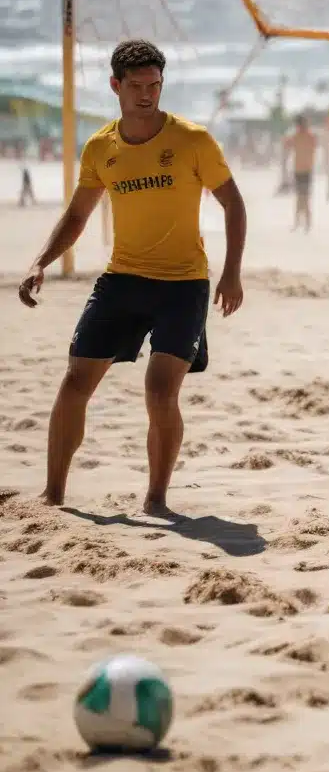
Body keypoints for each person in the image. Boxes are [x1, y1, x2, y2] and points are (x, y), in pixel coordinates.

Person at [17, 39, 247, 514]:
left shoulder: (192, 140)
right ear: (115, 87)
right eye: (137, 86)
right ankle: (53, 493)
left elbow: (233, 203)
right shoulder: (102, 146)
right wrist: (41, 260)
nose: (147, 95)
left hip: (184, 285)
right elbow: (78, 214)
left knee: (160, 391)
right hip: (122, 280)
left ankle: (156, 500)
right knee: (75, 382)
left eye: (155, 85)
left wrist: (232, 273)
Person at [281, 114, 318, 232]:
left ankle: (305, 223)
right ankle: (300, 223)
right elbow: (285, 145)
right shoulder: (300, 136)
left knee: (304, 198)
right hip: (300, 171)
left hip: (305, 171)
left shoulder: (307, 136)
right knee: (300, 197)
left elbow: (286, 145)